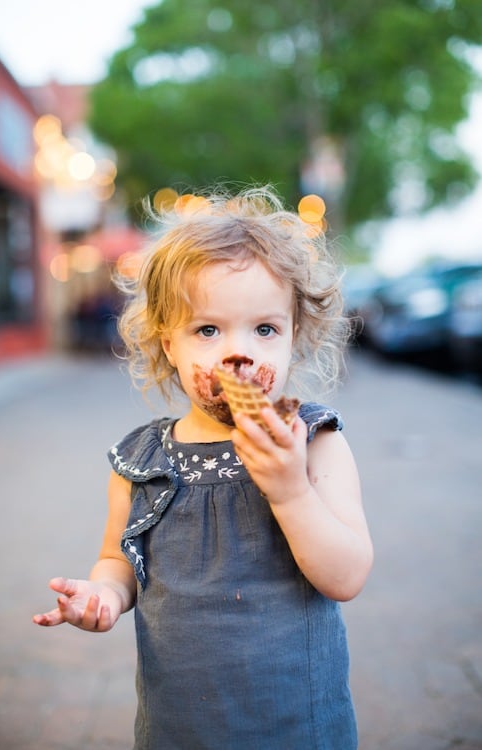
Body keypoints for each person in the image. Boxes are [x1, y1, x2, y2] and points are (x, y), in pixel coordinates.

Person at [33, 185, 373, 749]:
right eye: (207, 330)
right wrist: (103, 596)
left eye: (264, 329)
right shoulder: (140, 462)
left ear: (294, 337)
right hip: (180, 727)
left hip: (297, 723)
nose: (237, 353)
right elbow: (119, 559)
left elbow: (346, 576)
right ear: (169, 343)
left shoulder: (313, 444)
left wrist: (290, 491)